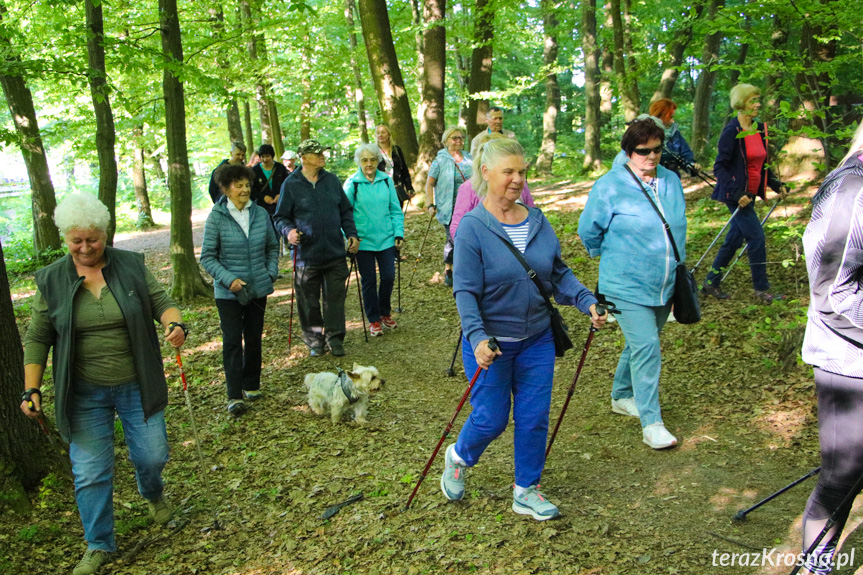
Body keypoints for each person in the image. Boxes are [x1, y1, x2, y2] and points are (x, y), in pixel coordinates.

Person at [19, 193, 187, 575]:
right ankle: (98, 543)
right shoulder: (51, 280)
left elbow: (162, 301)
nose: (84, 247)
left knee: (152, 455)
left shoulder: (130, 265)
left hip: (136, 382)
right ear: (65, 238)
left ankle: (152, 493)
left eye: (91, 239)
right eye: (76, 240)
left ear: (105, 234)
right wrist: (32, 389)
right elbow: (37, 337)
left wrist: (174, 324)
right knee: (91, 471)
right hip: (82, 391)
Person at [443, 139, 605, 520]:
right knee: (491, 418)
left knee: (533, 418)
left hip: (537, 340)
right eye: (509, 172)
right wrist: (477, 336)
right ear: (486, 173)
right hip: (492, 344)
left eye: (522, 172)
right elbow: (464, 290)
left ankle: (526, 490)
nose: (518, 180)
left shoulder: (537, 220)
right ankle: (460, 455)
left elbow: (558, 273)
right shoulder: (472, 228)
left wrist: (587, 301)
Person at [578, 118, 688, 450]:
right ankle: (651, 423)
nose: (652, 156)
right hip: (625, 284)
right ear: (629, 151)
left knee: (642, 343)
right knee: (647, 348)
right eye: (643, 151)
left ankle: (621, 394)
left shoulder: (670, 180)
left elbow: (678, 226)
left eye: (657, 149)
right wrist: (610, 255)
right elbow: (588, 231)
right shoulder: (610, 185)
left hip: (663, 283)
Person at [798, 122, 863, 575]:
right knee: (842, 477)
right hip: (847, 359)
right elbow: (832, 293)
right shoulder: (853, 187)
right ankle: (814, 566)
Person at [201, 164, 279, 417]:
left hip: (258, 288)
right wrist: (229, 280)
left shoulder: (260, 214)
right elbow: (208, 257)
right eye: (239, 185)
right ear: (226, 188)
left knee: (254, 338)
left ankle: (252, 385)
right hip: (228, 293)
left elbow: (271, 246)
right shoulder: (216, 216)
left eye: (247, 185)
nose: (245, 190)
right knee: (233, 341)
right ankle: (234, 395)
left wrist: (270, 272)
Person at [702, 83, 788, 303]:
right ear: (741, 104)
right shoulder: (732, 132)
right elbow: (719, 166)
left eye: (758, 99)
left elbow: (761, 164)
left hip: (749, 194)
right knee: (756, 237)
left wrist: (777, 185)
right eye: (753, 100)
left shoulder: (759, 129)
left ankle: (711, 282)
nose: (758, 103)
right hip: (736, 196)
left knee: (734, 238)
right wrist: (736, 191)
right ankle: (762, 290)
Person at [273, 139, 359, 357]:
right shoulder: (291, 184)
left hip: (334, 252)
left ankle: (335, 339)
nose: (323, 156)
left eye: (323, 152)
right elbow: (280, 217)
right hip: (306, 255)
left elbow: (345, 211)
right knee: (308, 302)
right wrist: (289, 231)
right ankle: (314, 340)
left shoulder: (331, 180)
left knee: (335, 299)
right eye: (317, 153)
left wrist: (351, 234)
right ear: (303, 158)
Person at [343, 143, 405, 336]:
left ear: (378, 160)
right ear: (359, 162)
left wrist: (398, 233)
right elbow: (344, 213)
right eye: (364, 160)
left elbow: (395, 209)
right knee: (368, 280)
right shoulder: (352, 183)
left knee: (388, 276)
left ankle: (385, 312)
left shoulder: (386, 181)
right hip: (363, 241)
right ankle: (374, 319)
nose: (369, 164)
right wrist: (349, 237)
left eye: (372, 159)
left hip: (386, 239)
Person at [450, 132, 535, 240]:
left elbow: (533, 218)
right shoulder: (468, 188)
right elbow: (456, 229)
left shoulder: (519, 185)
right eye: (508, 172)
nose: (517, 179)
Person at [425, 126, 472, 286]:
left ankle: (462, 269)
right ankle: (450, 270)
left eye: (461, 137)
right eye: (454, 138)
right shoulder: (440, 160)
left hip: (469, 206)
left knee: (467, 237)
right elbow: (429, 183)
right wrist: (430, 204)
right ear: (446, 141)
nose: (458, 140)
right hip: (449, 208)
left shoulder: (470, 159)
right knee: (453, 239)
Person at [648, 98, 701, 178]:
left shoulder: (675, 133)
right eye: (669, 117)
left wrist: (692, 166)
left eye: (673, 118)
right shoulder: (645, 134)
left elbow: (685, 153)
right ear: (659, 116)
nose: (672, 121)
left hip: (672, 178)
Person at [375, 124, 415, 208]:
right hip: (380, 190)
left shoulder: (396, 150)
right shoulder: (373, 151)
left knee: (397, 215)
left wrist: (409, 187)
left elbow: (404, 170)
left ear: (389, 134)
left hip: (396, 189)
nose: (380, 135)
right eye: (378, 133)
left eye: (383, 132)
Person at [250, 144, 289, 220]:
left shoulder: (280, 168)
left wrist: (280, 195)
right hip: (262, 207)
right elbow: (251, 190)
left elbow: (287, 185)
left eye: (267, 156)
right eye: (262, 157)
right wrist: (263, 197)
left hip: (279, 205)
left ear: (272, 156)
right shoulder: (255, 170)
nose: (265, 159)